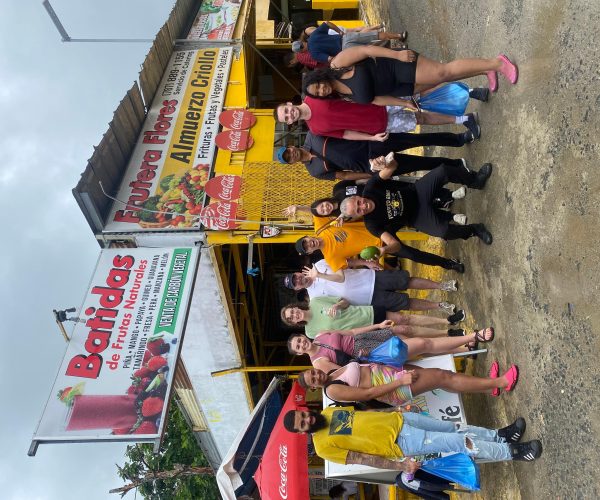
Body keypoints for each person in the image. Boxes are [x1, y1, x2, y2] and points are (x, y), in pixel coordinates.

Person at [283, 408, 542, 470]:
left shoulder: (328, 413)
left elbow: (365, 418)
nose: (307, 420)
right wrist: (401, 465)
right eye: (302, 424)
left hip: (402, 419)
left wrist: (395, 411)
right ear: (301, 432)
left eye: (303, 415)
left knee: (455, 428)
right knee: (461, 444)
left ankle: (499, 435)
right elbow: (361, 458)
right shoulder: (322, 448)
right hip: (402, 443)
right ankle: (514, 452)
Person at [339, 160, 494, 251]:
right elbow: (395, 244)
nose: (363, 206)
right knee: (444, 231)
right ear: (357, 216)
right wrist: (385, 249)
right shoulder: (371, 225)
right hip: (416, 217)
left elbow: (392, 167)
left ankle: (475, 181)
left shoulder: (370, 188)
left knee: (443, 171)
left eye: (358, 202)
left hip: (416, 192)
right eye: (358, 210)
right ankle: (474, 230)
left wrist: (385, 163)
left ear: (357, 196)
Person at [297, 347, 519, 408]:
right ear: (314, 388)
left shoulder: (331, 373)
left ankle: (489, 387)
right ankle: (501, 382)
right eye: (313, 379)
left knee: (442, 377)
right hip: (392, 386)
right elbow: (367, 393)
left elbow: (360, 371)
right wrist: (399, 381)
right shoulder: (332, 390)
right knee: (442, 377)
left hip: (388, 372)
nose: (316, 375)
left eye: (312, 372)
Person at [312, 45, 517, 101]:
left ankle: (498, 63)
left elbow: (366, 50)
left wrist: (397, 55)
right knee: (446, 78)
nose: (322, 90)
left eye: (318, 86)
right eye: (318, 93)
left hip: (395, 65)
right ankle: (485, 69)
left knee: (443, 72)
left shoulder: (337, 65)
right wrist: (403, 102)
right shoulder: (341, 95)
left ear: (319, 77)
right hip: (399, 89)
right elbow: (376, 100)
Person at [287, 322, 490, 374]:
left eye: (300, 339)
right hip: (368, 354)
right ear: (299, 353)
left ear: (302, 336)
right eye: (298, 346)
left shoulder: (320, 334)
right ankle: (472, 337)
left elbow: (351, 331)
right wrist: (364, 360)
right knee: (421, 344)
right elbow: (346, 372)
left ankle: (466, 350)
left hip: (368, 338)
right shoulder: (319, 363)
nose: (302, 343)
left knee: (420, 347)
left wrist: (377, 326)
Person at [275, 130, 475, 181]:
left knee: (418, 139)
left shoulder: (314, 135)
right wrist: (371, 174)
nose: (292, 154)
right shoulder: (314, 171)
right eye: (288, 158)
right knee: (419, 164)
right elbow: (343, 175)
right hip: (372, 164)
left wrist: (371, 134)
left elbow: (346, 130)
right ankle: (456, 164)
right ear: (291, 163)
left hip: (372, 143)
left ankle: (459, 138)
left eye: (289, 151)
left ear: (291, 146)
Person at [294, 215, 465, 273]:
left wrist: (298, 207)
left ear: (307, 236)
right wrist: (367, 263)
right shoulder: (330, 257)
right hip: (379, 247)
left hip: (377, 227)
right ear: (310, 252)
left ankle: (447, 220)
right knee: (415, 255)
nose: (310, 244)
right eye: (307, 248)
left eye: (306, 241)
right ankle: (449, 264)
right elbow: (349, 262)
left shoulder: (321, 227)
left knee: (411, 218)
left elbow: (315, 210)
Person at [283, 258, 459, 312]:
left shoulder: (319, 264)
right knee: (406, 303)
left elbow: (346, 263)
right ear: (297, 289)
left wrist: (365, 263)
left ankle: (442, 285)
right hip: (367, 300)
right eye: (295, 284)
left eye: (295, 277)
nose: (298, 280)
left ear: (297, 272)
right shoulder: (314, 299)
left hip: (370, 277)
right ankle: (439, 306)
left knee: (407, 281)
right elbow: (338, 305)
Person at [275, 97, 481, 140]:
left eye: (287, 110)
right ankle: (464, 119)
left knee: (420, 98)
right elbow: (346, 134)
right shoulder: (315, 129)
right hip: (379, 125)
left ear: (289, 104)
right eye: (287, 118)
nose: (290, 114)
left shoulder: (313, 95)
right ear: (290, 122)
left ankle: (471, 92)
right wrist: (371, 138)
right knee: (421, 119)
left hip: (378, 102)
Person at [280, 295, 459, 339]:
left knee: (404, 319)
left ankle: (447, 320)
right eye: (291, 318)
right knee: (406, 330)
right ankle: (446, 334)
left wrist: (337, 305)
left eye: (292, 311)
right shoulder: (310, 332)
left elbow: (345, 301)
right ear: (294, 322)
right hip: (366, 331)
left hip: (367, 313)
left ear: (295, 307)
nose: (295, 314)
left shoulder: (316, 301)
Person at [301, 21, 407, 63]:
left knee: (372, 51)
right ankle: (399, 35)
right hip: (345, 38)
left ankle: (400, 51)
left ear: (303, 51)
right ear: (303, 42)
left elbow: (330, 59)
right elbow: (327, 23)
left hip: (345, 51)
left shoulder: (314, 54)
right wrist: (339, 32)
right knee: (374, 35)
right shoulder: (313, 35)